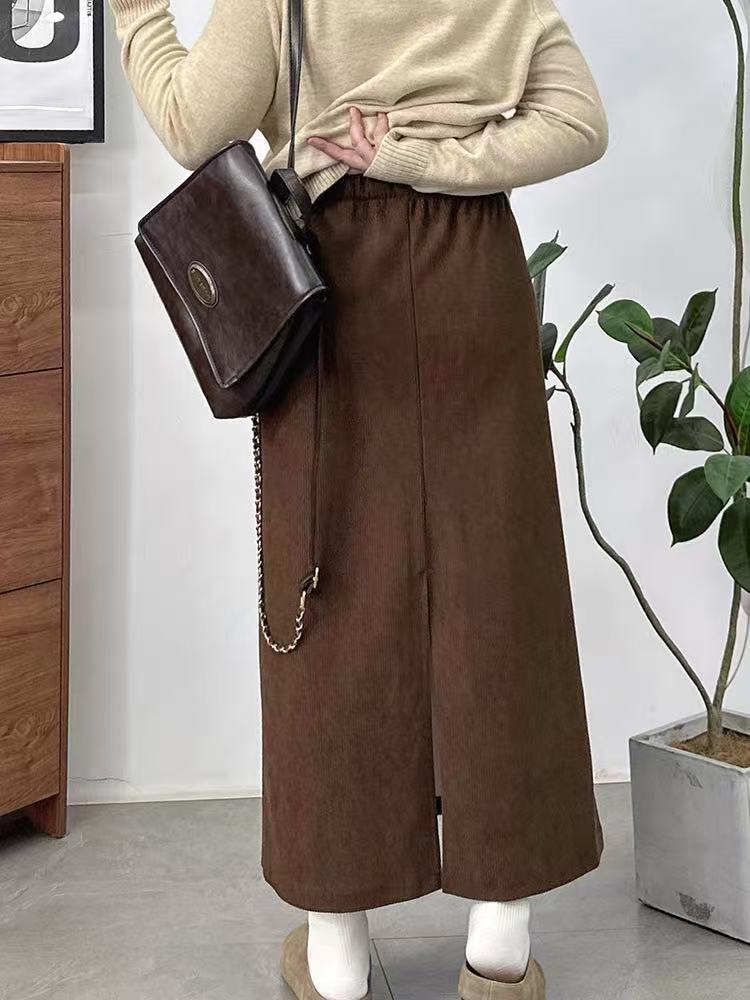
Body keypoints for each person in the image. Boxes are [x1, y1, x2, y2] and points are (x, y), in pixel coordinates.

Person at [107, 1, 609, 998]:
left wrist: (136, 17)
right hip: (476, 278)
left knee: (324, 584)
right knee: (496, 585)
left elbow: (193, 125)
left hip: (333, 288)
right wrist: (433, 159)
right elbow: (579, 122)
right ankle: (500, 950)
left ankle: (336, 959)